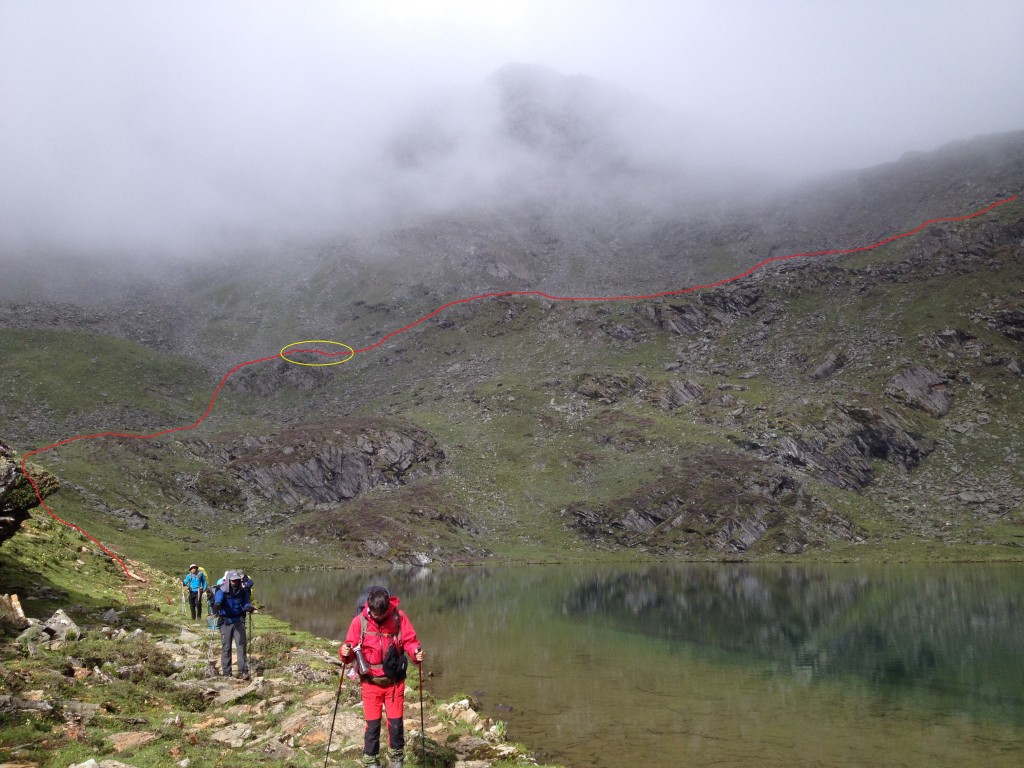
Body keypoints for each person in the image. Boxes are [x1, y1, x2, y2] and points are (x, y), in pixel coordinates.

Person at [339, 586, 424, 768]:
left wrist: (416, 653)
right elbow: (350, 649)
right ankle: (371, 761)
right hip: (370, 683)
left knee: (395, 726)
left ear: (388, 607)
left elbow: (410, 641)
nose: (377, 617)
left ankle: (396, 760)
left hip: (394, 683)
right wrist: (344, 652)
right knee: (372, 726)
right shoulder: (359, 622)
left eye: (381, 614)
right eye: (374, 614)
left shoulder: (398, 617)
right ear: (368, 606)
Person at [214, 570, 254, 680]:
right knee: (226, 647)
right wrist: (217, 605)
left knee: (241, 645)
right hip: (226, 622)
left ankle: (244, 671)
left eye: (236, 580)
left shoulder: (242, 591)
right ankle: (227, 673)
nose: (234, 582)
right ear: (228, 580)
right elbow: (219, 598)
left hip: (238, 621)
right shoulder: (222, 590)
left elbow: (245, 603)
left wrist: (248, 607)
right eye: (232, 580)